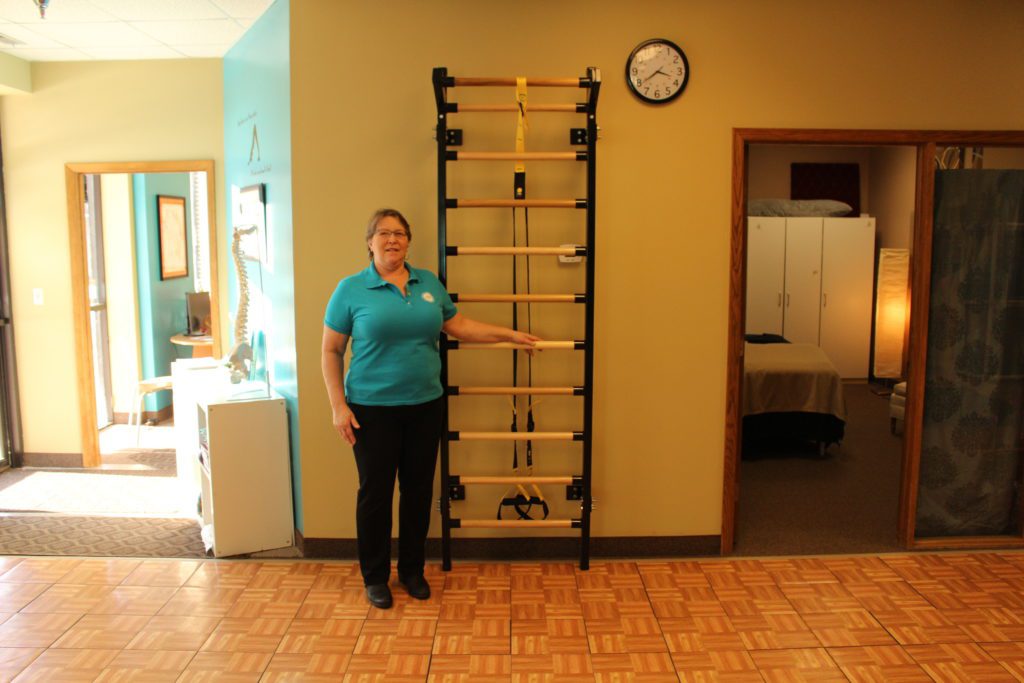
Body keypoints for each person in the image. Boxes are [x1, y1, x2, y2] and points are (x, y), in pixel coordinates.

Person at [321, 208, 540, 609]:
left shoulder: (428, 284)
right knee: (375, 495)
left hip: (425, 406)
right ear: (369, 241)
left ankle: (411, 571)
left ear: (408, 241)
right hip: (372, 410)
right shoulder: (350, 290)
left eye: (400, 234)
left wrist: (506, 334)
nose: (392, 240)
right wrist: (339, 406)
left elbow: (458, 326)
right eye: (384, 233)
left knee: (419, 492)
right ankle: (375, 577)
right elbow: (331, 351)